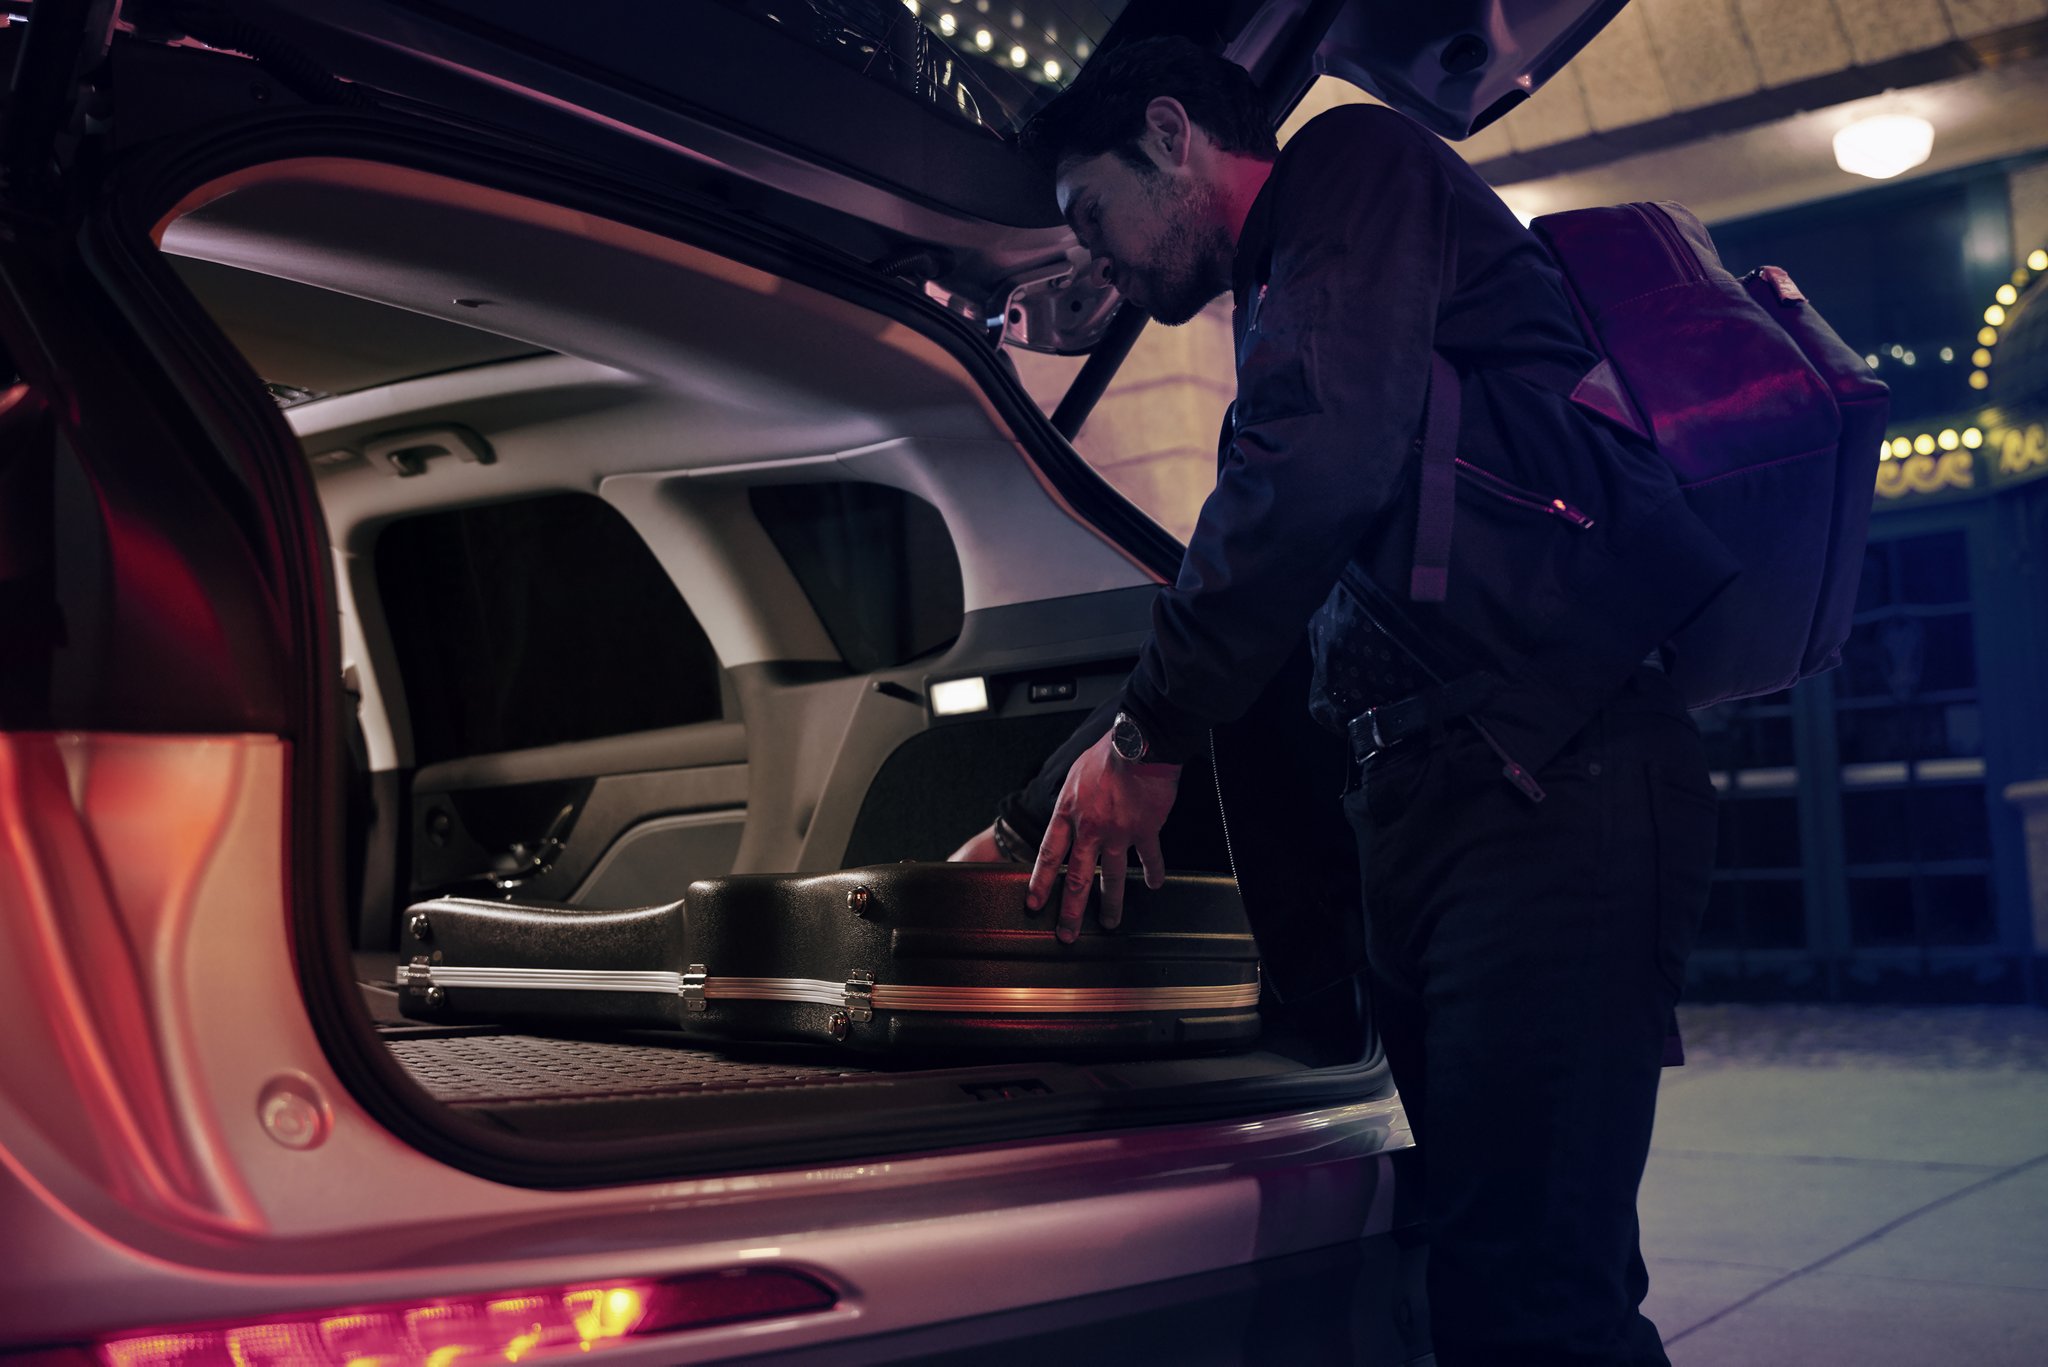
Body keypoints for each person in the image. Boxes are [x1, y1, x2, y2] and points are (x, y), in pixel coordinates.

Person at [951, 36, 1734, 1367]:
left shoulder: (1352, 169)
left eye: (1092, 215)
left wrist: (1148, 735)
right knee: (1497, 1271)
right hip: (1449, 805)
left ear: (1171, 136)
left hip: (1551, 779)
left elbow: (1307, 478)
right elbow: (1272, 593)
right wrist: (1039, 816)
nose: (1096, 262)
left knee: (1532, 1297)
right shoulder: (1288, 295)